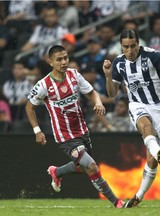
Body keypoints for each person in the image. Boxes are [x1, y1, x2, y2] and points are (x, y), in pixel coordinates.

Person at [25, 45, 124, 208]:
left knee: (85, 168)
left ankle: (56, 172)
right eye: (59, 59)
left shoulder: (74, 75)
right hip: (65, 136)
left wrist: (98, 102)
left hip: (82, 131)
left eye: (65, 58)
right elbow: (29, 107)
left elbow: (91, 92)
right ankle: (117, 202)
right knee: (91, 166)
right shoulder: (44, 85)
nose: (63, 62)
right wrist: (37, 131)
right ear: (50, 62)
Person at [103, 29, 160, 207]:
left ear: (138, 44)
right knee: (145, 126)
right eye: (125, 47)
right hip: (137, 104)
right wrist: (108, 76)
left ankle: (139, 195)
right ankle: (159, 151)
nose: (129, 51)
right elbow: (111, 93)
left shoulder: (152, 56)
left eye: (133, 46)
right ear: (121, 46)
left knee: (151, 160)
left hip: (159, 107)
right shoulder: (118, 63)